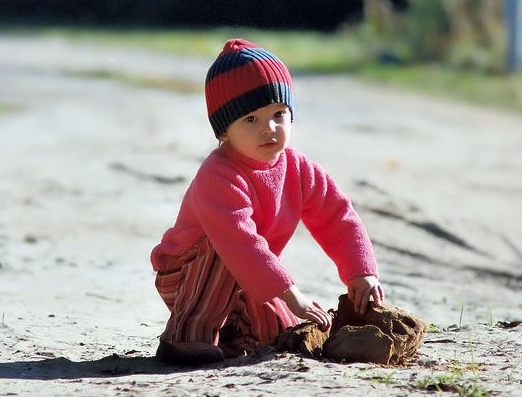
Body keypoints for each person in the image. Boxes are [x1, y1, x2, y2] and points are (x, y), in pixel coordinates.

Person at [150, 38, 385, 365]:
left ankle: (231, 334)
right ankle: (189, 333)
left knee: (285, 331)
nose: (269, 129)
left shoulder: (299, 168)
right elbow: (241, 243)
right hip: (190, 272)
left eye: (278, 114)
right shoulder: (219, 175)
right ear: (224, 131)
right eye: (250, 120)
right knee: (228, 254)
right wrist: (293, 295)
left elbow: (337, 216)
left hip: (251, 277)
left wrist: (361, 271)